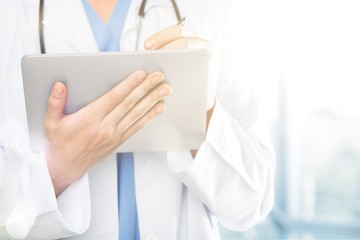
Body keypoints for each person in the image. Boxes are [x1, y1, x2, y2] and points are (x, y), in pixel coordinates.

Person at [0, 0, 275, 239]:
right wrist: (58, 170)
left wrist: (204, 109)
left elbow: (253, 202)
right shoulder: (9, 14)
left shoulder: (211, 7)